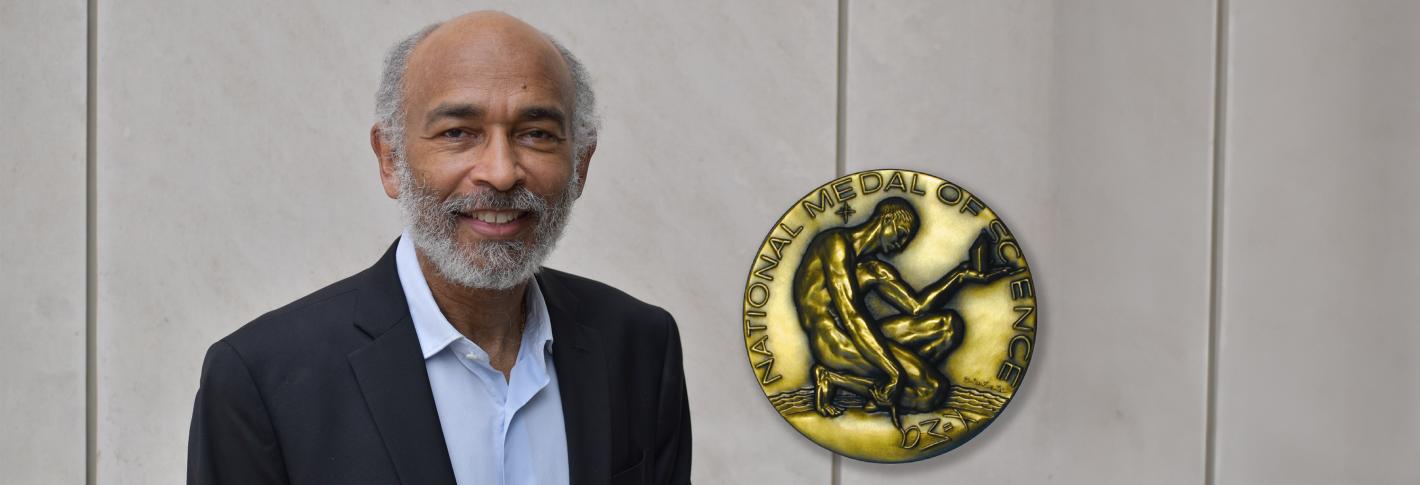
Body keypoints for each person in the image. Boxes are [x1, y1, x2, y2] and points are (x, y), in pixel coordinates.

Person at [187, 11, 691, 485]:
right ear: (390, 160)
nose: (500, 171)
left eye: (536, 134)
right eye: (458, 133)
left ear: (581, 164)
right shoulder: (262, 378)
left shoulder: (640, 345)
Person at [792, 197, 1008, 423]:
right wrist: (894, 371)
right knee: (933, 390)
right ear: (887, 220)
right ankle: (834, 377)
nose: (902, 244)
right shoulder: (835, 244)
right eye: (902, 233)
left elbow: (917, 307)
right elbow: (851, 315)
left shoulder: (874, 268)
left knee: (948, 326)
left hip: (860, 336)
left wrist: (961, 275)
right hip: (833, 341)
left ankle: (884, 387)